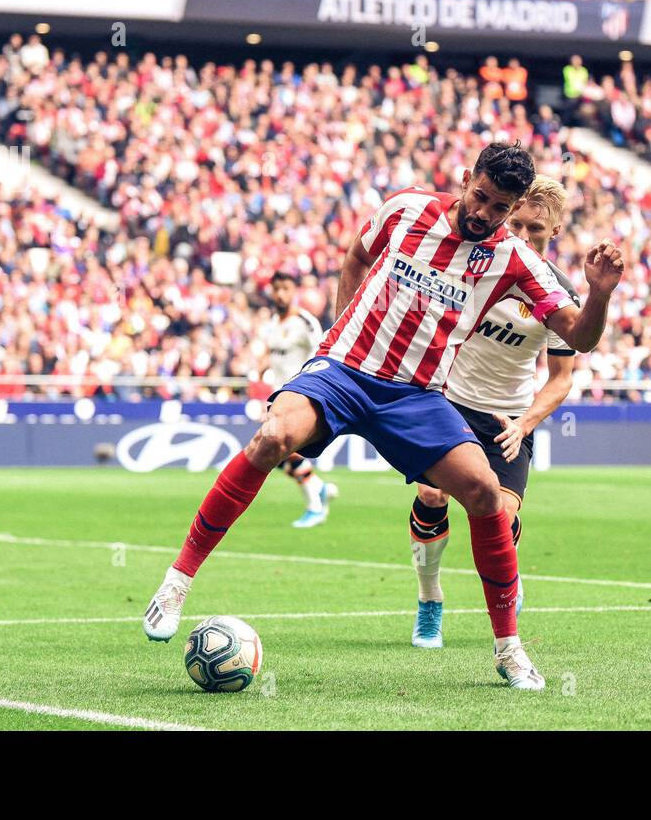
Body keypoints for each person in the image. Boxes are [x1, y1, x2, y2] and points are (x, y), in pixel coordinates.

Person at [142, 142, 624, 690]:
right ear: (467, 179)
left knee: (486, 495)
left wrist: (599, 295)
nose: (484, 214)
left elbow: (579, 338)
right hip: (345, 371)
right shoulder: (407, 208)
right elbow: (356, 254)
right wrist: (336, 336)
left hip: (416, 397)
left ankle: (508, 649)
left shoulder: (516, 260)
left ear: (513, 212)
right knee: (272, 438)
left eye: (499, 209)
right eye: (481, 198)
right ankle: (177, 582)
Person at [409, 176, 579, 648]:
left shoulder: (557, 294)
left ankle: (508, 571)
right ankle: (430, 601)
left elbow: (561, 377)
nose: (523, 238)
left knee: (500, 515)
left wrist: (525, 423)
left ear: (555, 231)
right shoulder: (474, 265)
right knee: (432, 495)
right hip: (448, 401)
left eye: (536, 231)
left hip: (508, 417)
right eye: (517, 224)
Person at [261, 271, 339, 528]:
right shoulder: (274, 321)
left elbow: (322, 352)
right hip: (276, 397)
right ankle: (320, 489)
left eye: (285, 289)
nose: (280, 294)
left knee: (281, 449)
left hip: (298, 395)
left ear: (294, 291)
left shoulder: (305, 322)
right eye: (276, 289)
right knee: (277, 455)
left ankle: (315, 505)